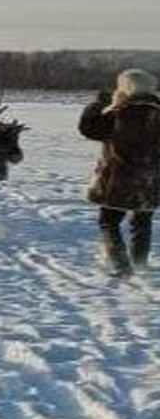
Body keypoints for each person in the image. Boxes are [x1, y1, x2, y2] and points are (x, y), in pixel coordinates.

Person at [78, 69, 160, 275]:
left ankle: (121, 266)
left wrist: (97, 104)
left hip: (119, 177)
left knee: (108, 221)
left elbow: (88, 128)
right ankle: (140, 264)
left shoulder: (119, 113)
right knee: (142, 220)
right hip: (151, 177)